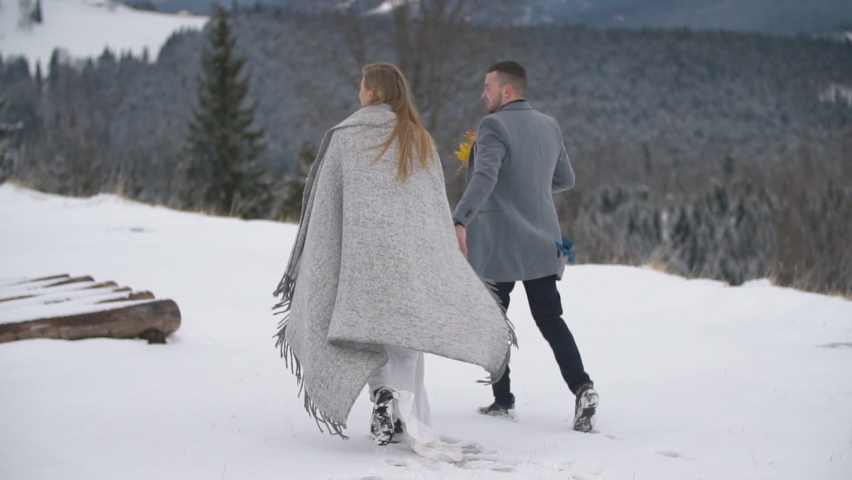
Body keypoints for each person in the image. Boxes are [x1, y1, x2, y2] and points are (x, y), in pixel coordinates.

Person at [272, 62, 515, 457]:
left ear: (372, 92)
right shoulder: (417, 137)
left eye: (362, 85)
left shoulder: (346, 136)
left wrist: (323, 259)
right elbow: (433, 210)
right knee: (407, 337)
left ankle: (383, 394)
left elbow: (324, 212)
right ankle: (400, 410)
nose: (359, 91)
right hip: (408, 260)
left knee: (365, 333)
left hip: (360, 261)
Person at [452, 60, 599, 432]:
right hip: (541, 241)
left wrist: (459, 219)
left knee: (493, 320)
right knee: (551, 320)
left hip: (500, 246)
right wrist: (528, 185)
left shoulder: (493, 125)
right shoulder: (549, 125)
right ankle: (583, 388)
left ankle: (503, 399)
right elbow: (565, 179)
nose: (482, 94)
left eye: (487, 87)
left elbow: (485, 177)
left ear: (507, 90)